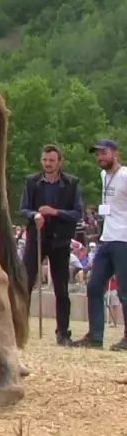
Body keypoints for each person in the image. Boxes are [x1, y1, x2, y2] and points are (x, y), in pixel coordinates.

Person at [18, 144, 84, 345]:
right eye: (45, 160)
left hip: (60, 242)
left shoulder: (71, 184)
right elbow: (23, 209)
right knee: (25, 285)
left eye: (52, 160)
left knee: (61, 289)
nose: (48, 164)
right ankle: (18, 329)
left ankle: (63, 333)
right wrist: (34, 214)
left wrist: (55, 212)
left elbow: (77, 213)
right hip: (36, 239)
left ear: (59, 162)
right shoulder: (32, 182)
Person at [70, 139, 127, 350]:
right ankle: (95, 337)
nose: (100, 158)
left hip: (124, 240)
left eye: (104, 153)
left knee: (124, 290)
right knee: (94, 286)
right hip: (106, 239)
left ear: (114, 153)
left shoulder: (124, 176)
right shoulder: (104, 176)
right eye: (97, 154)